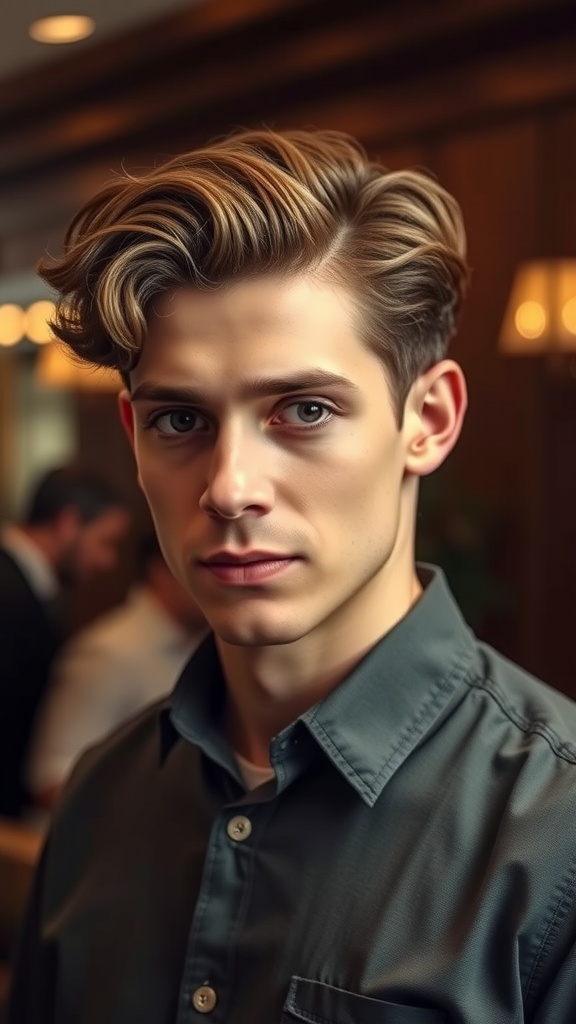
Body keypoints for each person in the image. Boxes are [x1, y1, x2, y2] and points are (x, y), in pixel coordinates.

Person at [7, 129, 576, 1023]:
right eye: (180, 420)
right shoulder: (102, 797)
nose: (231, 488)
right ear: (131, 435)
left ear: (426, 419)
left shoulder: (558, 835)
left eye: (303, 410)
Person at [27, 533, 209, 809]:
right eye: (203, 567)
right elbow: (51, 777)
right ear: (161, 570)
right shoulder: (110, 652)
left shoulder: (208, 647)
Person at [0, 464, 129, 819]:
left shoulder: (28, 588)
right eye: (105, 542)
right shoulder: (9, 592)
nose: (107, 561)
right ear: (69, 523)